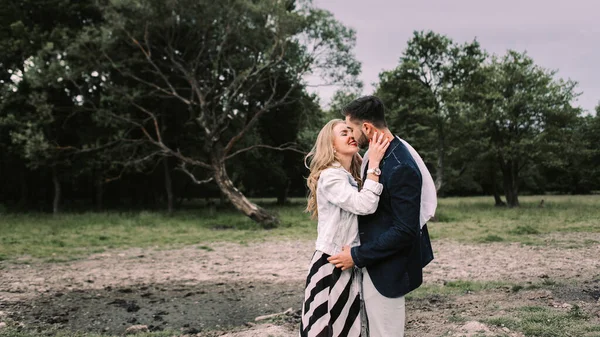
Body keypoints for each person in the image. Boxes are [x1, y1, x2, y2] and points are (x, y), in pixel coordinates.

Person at [328, 96, 436, 337]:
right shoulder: (378, 155)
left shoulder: (399, 165)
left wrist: (356, 256)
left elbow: (405, 231)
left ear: (367, 127)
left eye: (352, 129)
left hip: (388, 270)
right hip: (376, 264)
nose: (352, 136)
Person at [300, 119, 390, 337]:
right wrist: (375, 164)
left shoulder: (348, 175)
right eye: (343, 133)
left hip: (347, 260)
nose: (351, 135)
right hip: (331, 263)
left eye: (352, 131)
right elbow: (364, 205)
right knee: (328, 329)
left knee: (346, 327)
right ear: (331, 145)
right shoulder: (332, 176)